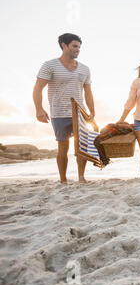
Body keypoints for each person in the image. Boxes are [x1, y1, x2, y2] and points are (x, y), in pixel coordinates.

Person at [33, 33, 95, 184]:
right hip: (59, 112)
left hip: (79, 112)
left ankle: (81, 177)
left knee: (82, 146)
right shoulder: (50, 65)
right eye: (74, 46)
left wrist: (92, 112)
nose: (78, 49)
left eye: (79, 47)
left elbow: (88, 91)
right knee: (63, 146)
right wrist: (39, 109)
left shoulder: (85, 69)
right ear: (64, 45)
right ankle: (63, 180)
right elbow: (38, 88)